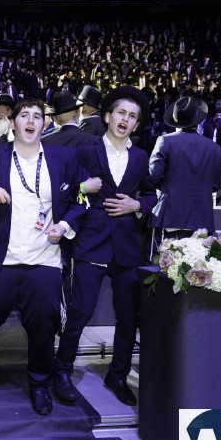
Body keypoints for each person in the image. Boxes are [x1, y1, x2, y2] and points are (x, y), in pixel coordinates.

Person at [0, 98, 88, 417]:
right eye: (23, 115)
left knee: (42, 328)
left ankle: (39, 384)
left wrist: (65, 225)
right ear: (13, 123)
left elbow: (82, 196)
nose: (30, 121)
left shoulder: (63, 157)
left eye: (37, 116)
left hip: (45, 260)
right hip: (3, 258)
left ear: (45, 123)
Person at [53, 86, 156, 407]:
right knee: (80, 312)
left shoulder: (140, 157)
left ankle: (118, 375)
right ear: (108, 116)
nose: (125, 120)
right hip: (91, 243)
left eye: (132, 116)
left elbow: (151, 195)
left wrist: (136, 205)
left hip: (127, 247)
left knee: (128, 317)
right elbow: (67, 190)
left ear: (136, 124)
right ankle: (61, 371)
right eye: (121, 113)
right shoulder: (86, 150)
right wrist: (84, 187)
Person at [148, 96, 221, 238]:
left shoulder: (165, 141)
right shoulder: (214, 147)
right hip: (202, 218)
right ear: (197, 121)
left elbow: (154, 177)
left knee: (165, 252)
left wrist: (171, 189)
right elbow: (215, 185)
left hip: (170, 215)